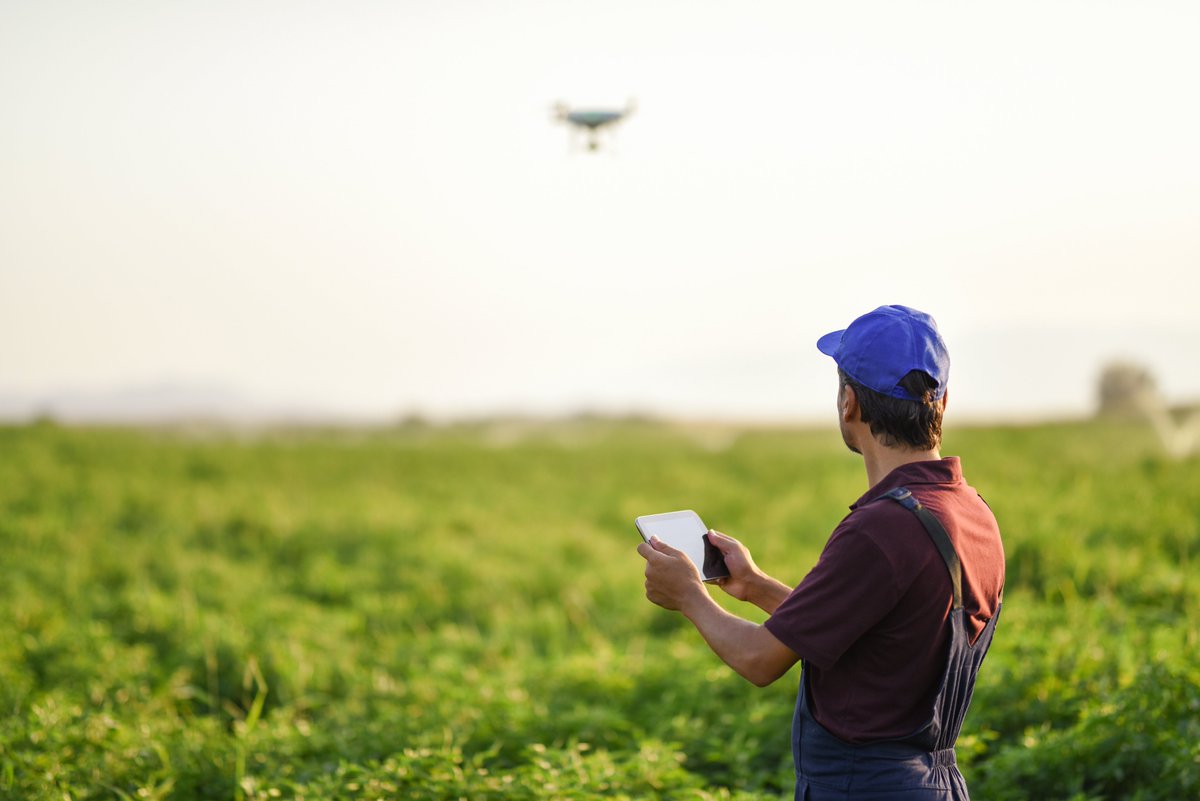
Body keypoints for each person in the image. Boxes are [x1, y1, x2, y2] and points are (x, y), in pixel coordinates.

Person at [637, 305, 1005, 800]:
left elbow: (759, 660)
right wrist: (756, 587)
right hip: (936, 784)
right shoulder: (973, 512)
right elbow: (878, 638)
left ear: (849, 402)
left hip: (866, 789)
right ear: (941, 401)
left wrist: (688, 596)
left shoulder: (881, 530)